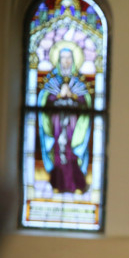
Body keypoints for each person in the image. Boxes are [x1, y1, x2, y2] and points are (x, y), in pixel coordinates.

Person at [38, 46, 92, 194]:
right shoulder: (52, 83)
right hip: (57, 125)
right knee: (58, 154)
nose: (66, 62)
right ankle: (57, 184)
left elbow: (85, 103)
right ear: (58, 61)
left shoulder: (79, 83)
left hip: (73, 127)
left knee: (71, 154)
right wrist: (58, 96)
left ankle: (76, 185)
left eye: (69, 58)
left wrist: (73, 97)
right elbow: (44, 102)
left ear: (73, 60)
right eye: (63, 58)